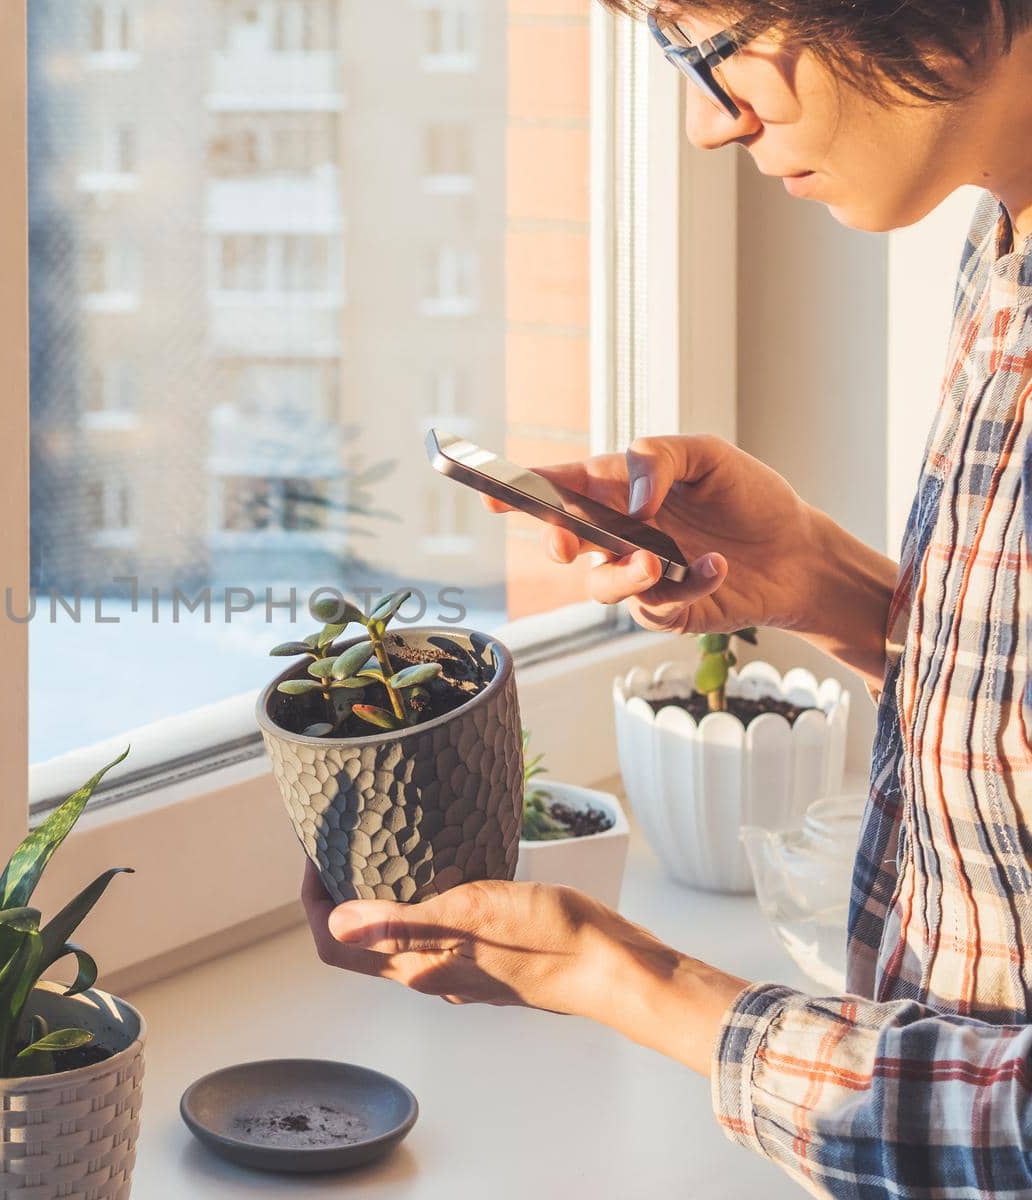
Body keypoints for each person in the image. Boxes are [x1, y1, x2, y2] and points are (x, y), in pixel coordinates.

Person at [301, 3, 1032, 1195]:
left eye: (715, 46)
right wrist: (822, 581)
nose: (708, 122)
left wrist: (621, 978)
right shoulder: (1004, 248)